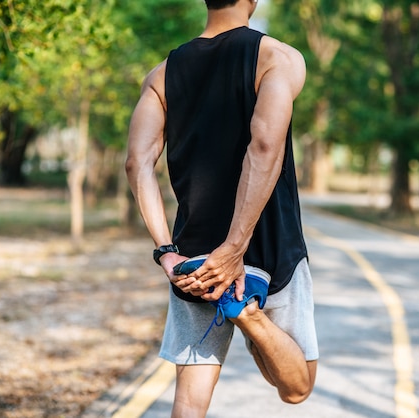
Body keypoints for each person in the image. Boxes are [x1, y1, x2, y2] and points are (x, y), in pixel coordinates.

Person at [125, 0, 319, 416]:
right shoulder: (277, 58)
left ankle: (241, 311)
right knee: (297, 387)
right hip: (272, 245)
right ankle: (248, 316)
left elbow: (137, 163)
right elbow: (264, 145)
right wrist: (234, 249)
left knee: (190, 403)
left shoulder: (161, 75)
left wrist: (166, 251)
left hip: (195, 262)